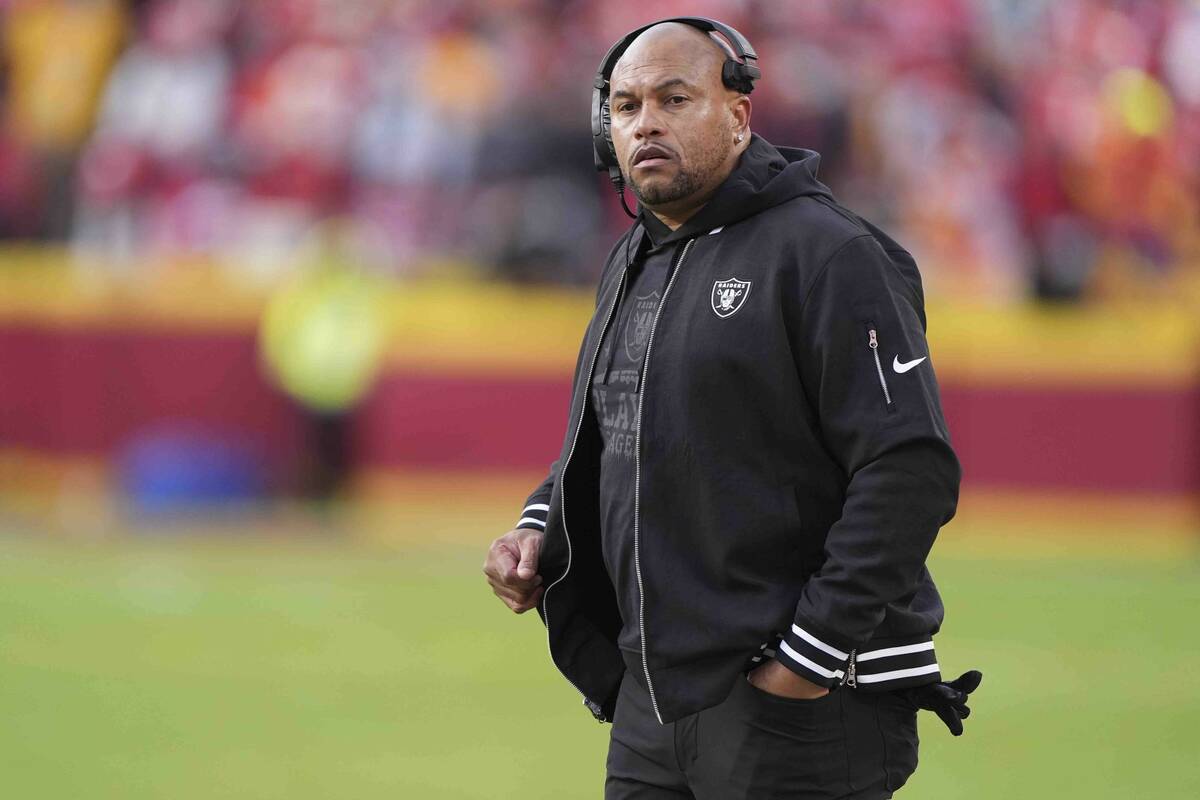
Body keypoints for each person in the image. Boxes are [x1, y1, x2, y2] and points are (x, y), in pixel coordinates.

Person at [483, 17, 980, 799]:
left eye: (674, 98)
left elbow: (909, 469)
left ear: (740, 115)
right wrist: (540, 527)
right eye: (624, 106)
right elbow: (616, 431)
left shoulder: (831, 252)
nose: (644, 121)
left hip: (799, 704)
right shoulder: (634, 256)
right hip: (654, 701)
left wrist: (806, 661)